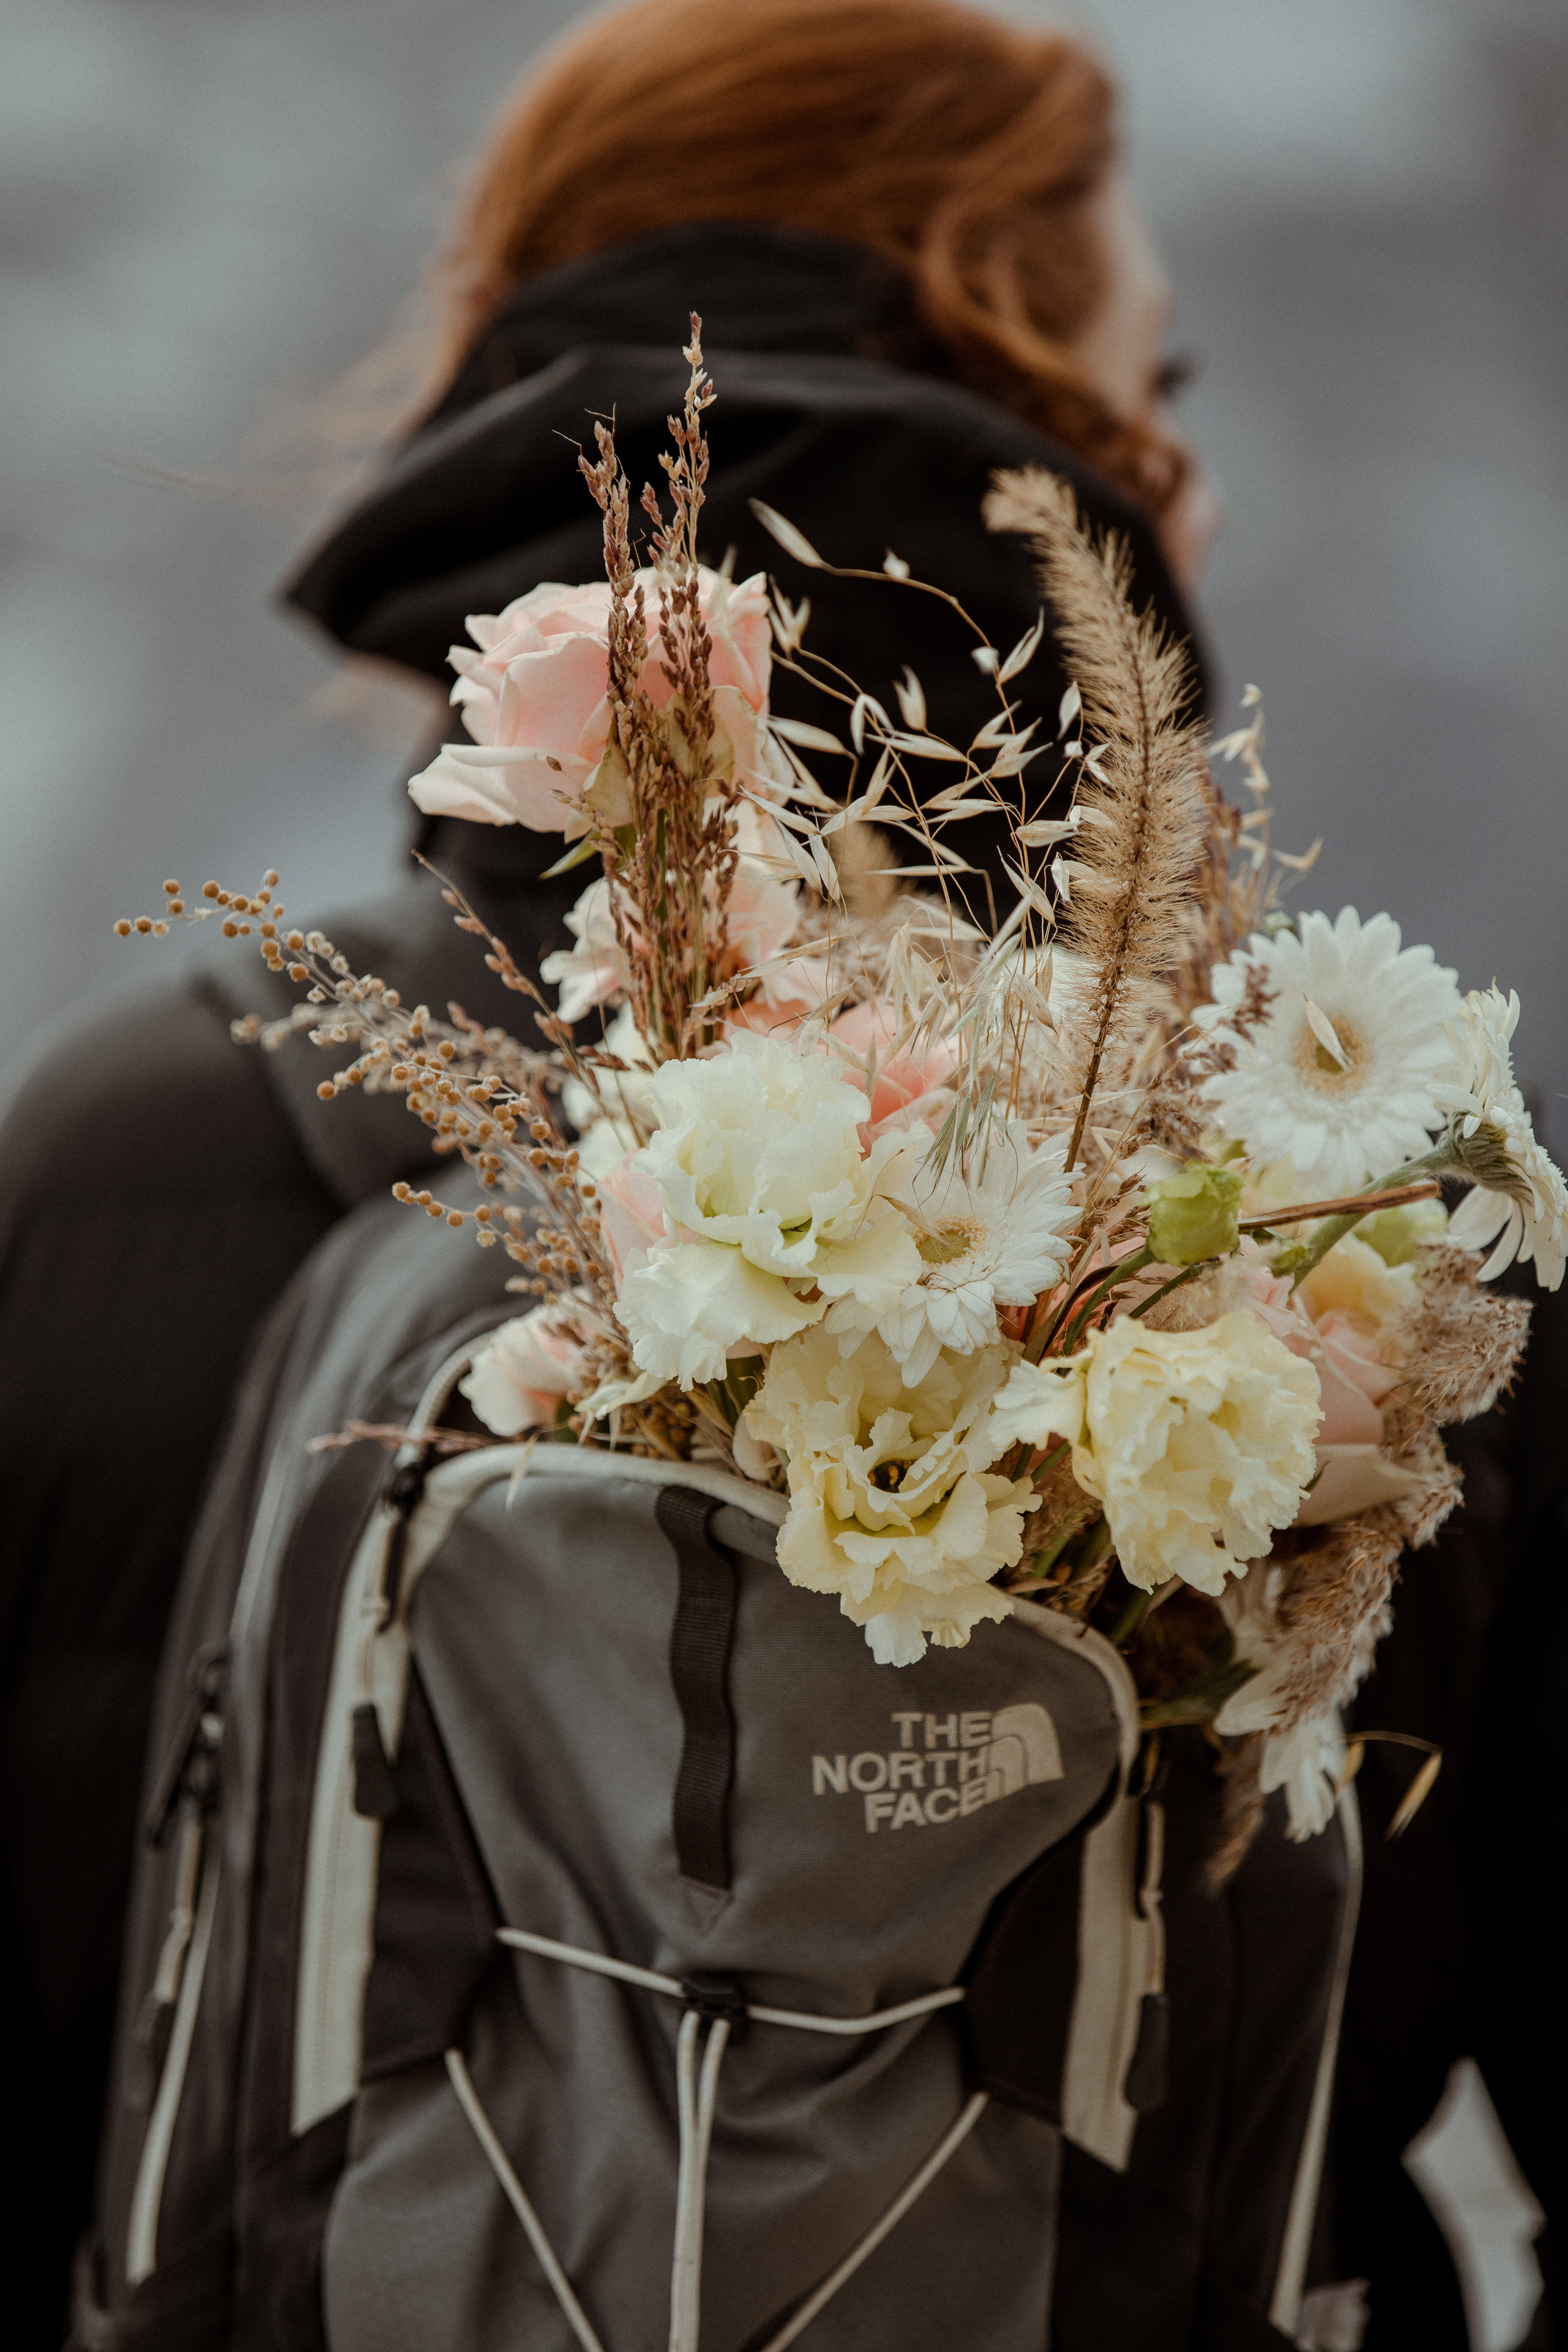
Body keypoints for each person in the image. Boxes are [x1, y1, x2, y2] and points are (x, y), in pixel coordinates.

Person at [0, 1, 1280, 2340]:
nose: (1195, 485)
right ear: (1049, 411)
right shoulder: (1304, 1210)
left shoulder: (116, 1154)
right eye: (1159, 392)